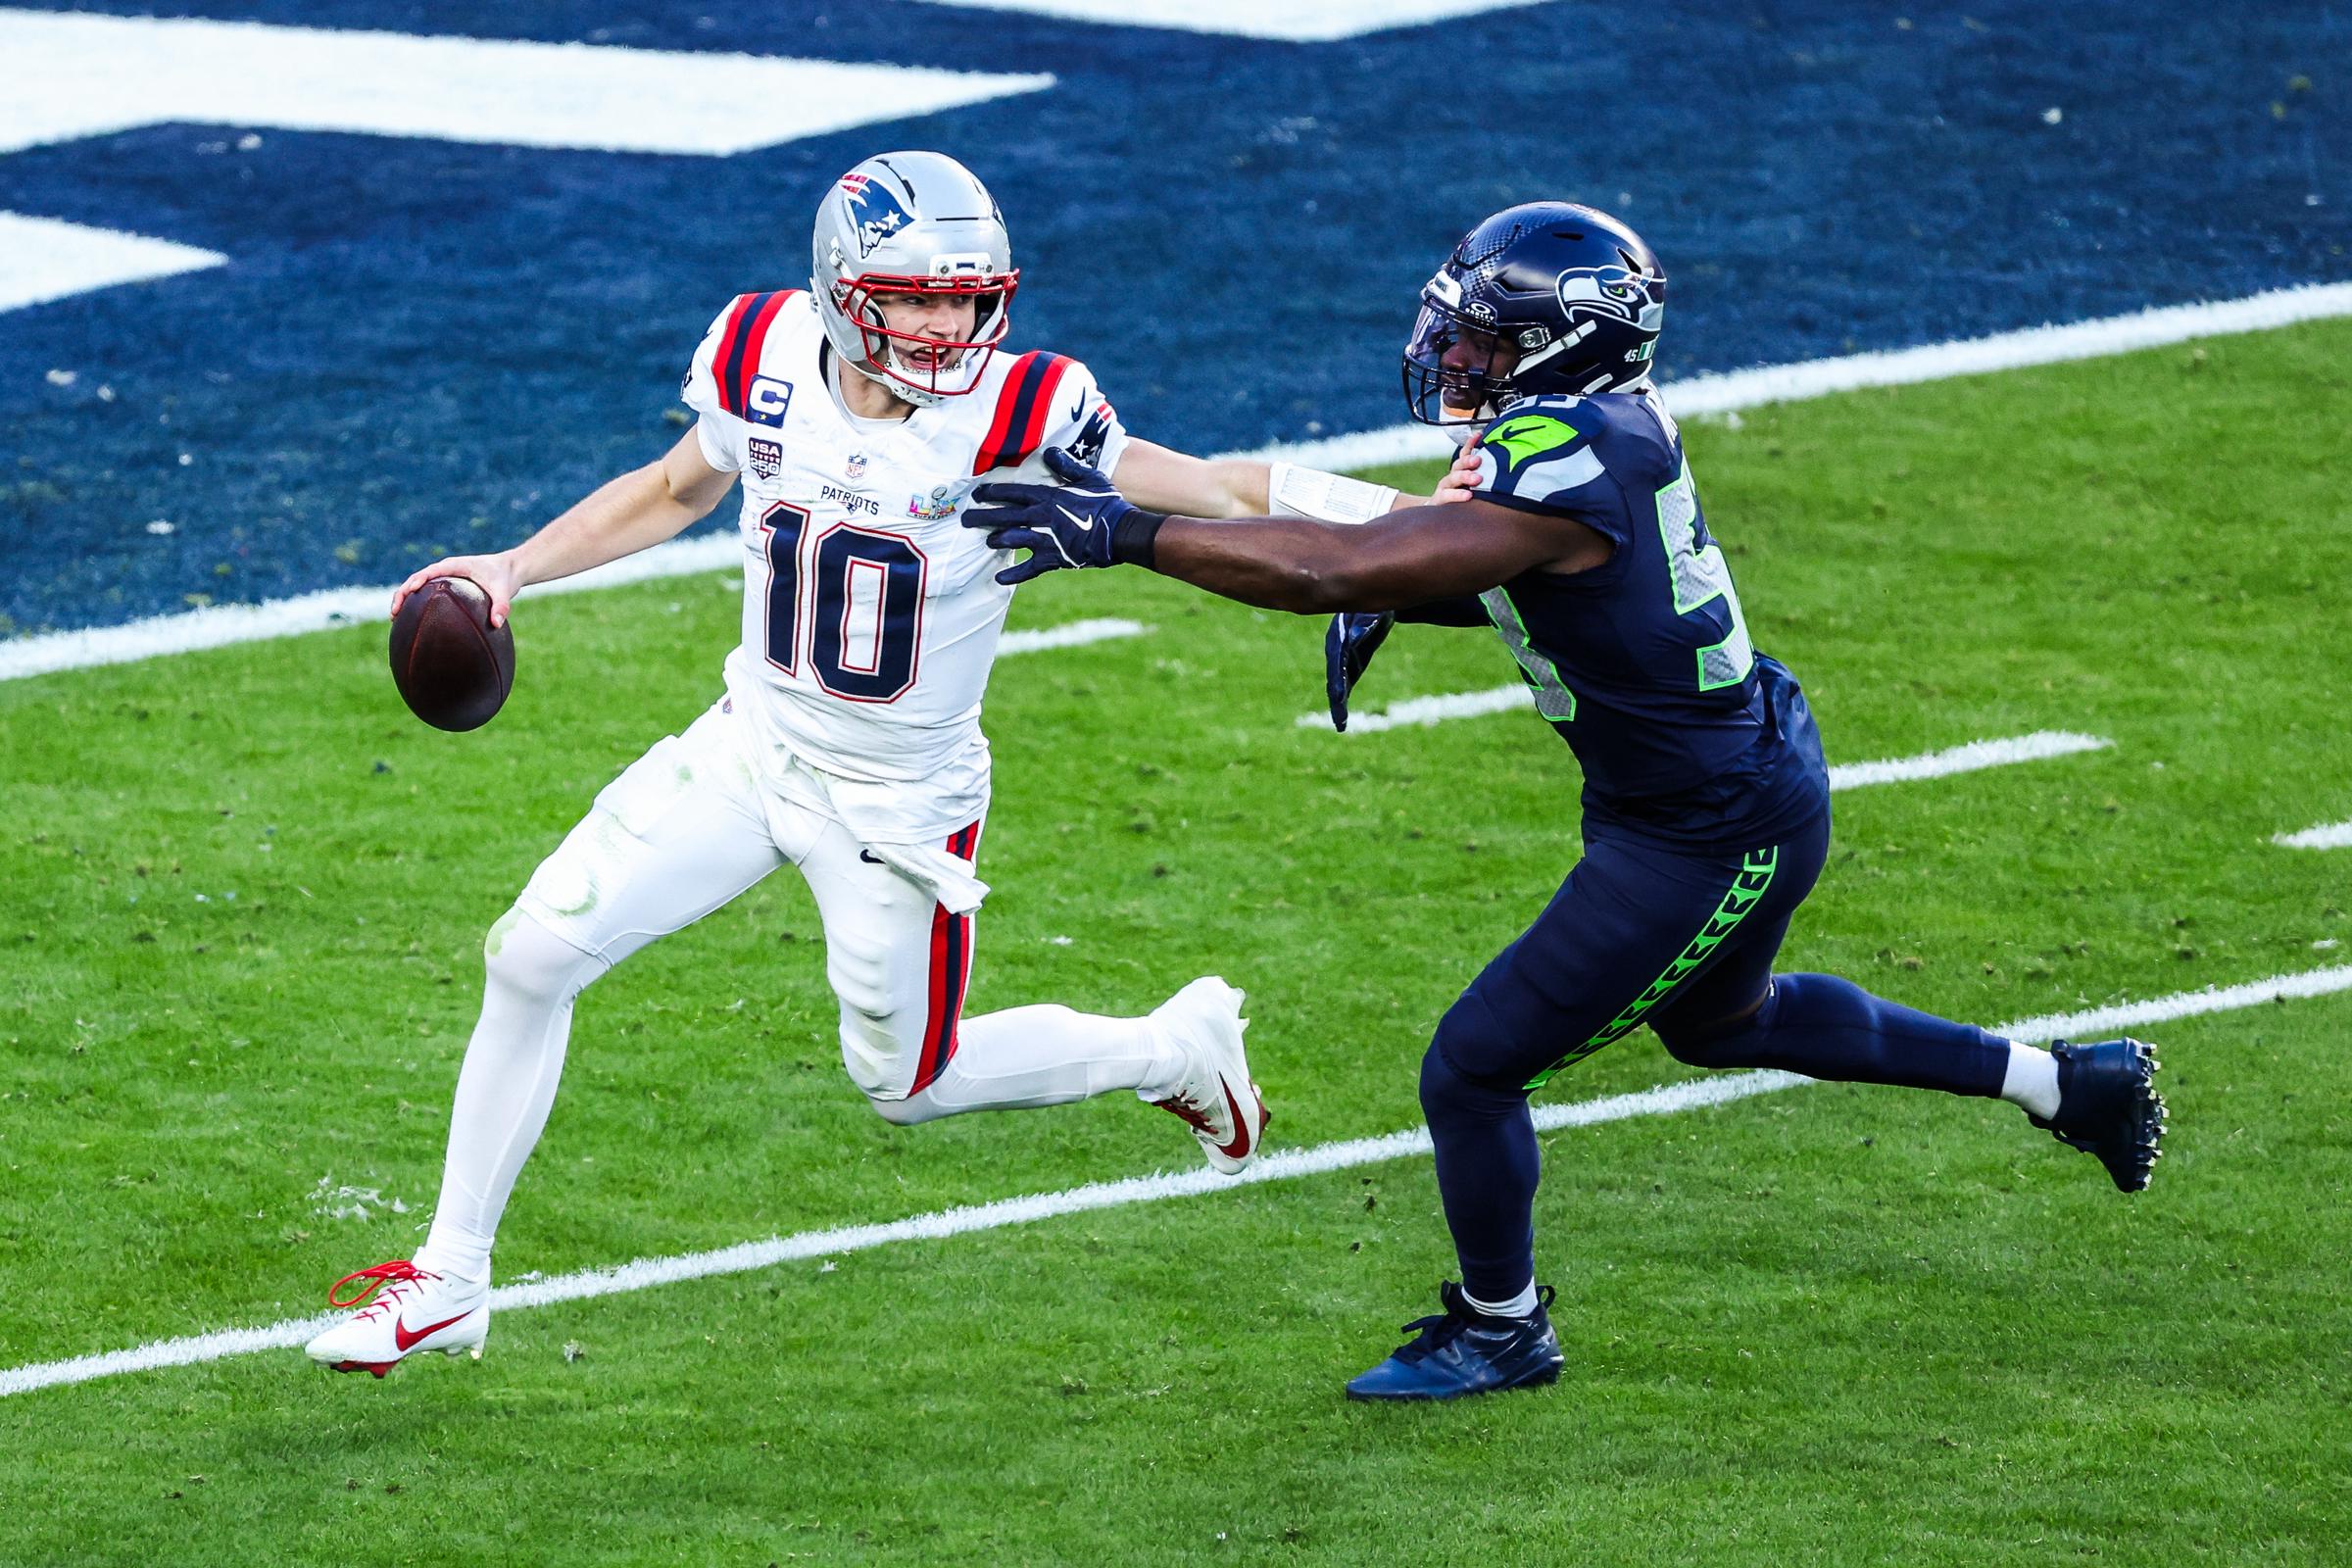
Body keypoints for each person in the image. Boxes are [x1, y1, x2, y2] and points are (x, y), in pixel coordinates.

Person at [963, 201, 2168, 1402]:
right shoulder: (1579, 434)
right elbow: (1423, 548)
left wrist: (1124, 534)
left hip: (1706, 825)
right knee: (1723, 1024)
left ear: (1565, 341)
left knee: (1473, 1069)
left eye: (1488, 338)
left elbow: (1362, 559)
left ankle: (1503, 1325)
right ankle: (2067, 1085)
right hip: (1716, 781)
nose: (1459, 355)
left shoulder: (1567, 456)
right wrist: (1177, 493)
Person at [305, 151, 1421, 1377]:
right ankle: (452, 1275)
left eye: (967, 295)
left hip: (900, 801)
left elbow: (1205, 485)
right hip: (753, 744)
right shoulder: (758, 350)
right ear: (843, 288)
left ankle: (1175, 1049)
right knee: (527, 955)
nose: (948, 323)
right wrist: (516, 564)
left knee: (911, 1084)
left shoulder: (1025, 406)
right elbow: (676, 486)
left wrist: (1413, 531)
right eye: (916, 295)